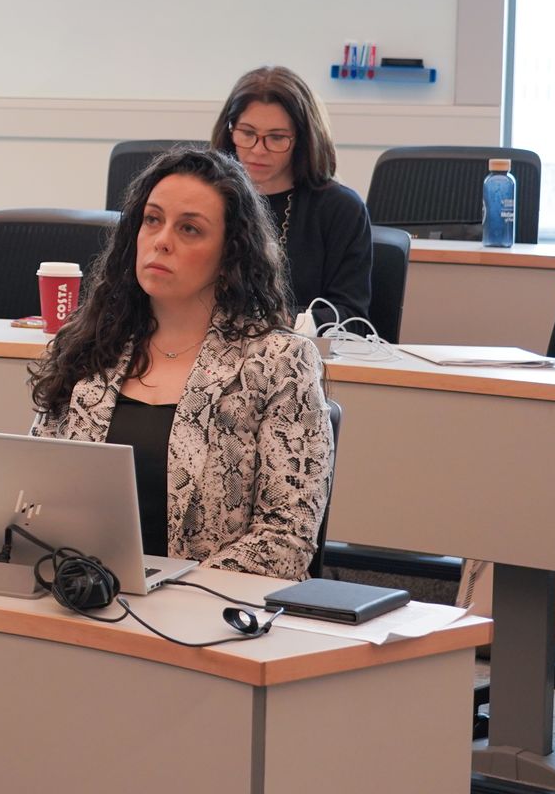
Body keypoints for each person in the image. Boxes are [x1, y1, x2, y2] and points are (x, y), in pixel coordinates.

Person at [28, 146, 333, 581]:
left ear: (230, 255)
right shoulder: (87, 344)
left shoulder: (279, 362)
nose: (162, 240)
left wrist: (166, 588)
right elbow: (32, 494)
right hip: (84, 596)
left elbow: (288, 539)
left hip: (212, 615)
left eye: (189, 229)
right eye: (152, 220)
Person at [208, 65, 373, 326]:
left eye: (276, 137)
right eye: (247, 133)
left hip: (299, 356)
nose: (259, 150)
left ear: (303, 140)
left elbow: (351, 317)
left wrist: (281, 320)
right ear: (230, 130)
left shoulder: (340, 209)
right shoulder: (207, 197)